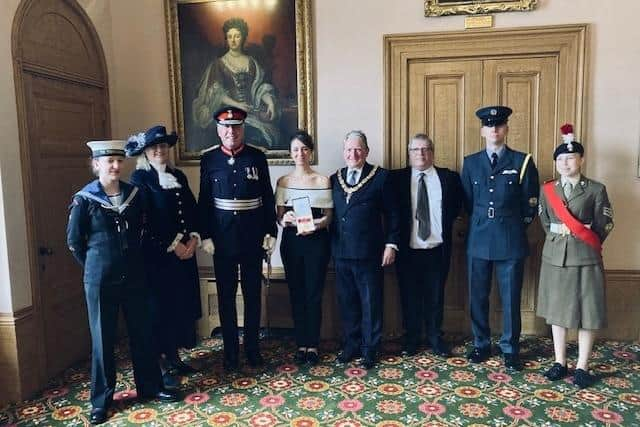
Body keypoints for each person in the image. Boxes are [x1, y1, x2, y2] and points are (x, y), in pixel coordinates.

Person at [66, 140, 178, 425]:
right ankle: (101, 401)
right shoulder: (85, 199)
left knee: (142, 333)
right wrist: (97, 266)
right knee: (102, 340)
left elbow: (142, 230)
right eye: (108, 162)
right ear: (96, 165)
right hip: (100, 281)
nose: (115, 166)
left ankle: (150, 386)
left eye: (119, 161)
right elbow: (74, 242)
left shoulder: (134, 194)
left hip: (134, 276)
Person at [198, 106, 277, 371]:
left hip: (252, 237)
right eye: (226, 127)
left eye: (236, 127)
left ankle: (252, 349)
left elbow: (267, 197)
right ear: (219, 130)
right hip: (222, 240)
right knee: (226, 298)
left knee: (253, 296)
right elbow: (205, 201)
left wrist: (271, 232)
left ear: (243, 128)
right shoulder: (209, 160)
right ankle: (230, 352)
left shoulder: (257, 157)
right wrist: (206, 235)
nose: (231, 132)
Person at [461, 106, 540, 371]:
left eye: (499, 125)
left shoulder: (522, 161)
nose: (494, 129)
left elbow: (531, 203)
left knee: (510, 298)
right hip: (479, 236)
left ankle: (510, 348)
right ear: (482, 130)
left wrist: (515, 225)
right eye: (489, 125)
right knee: (478, 296)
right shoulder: (470, 163)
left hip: (510, 237)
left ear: (506, 129)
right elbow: (468, 203)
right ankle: (481, 343)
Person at [536, 124, 614, 389]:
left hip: (585, 256)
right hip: (555, 256)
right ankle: (560, 361)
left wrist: (583, 240)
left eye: (570, 158)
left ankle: (582, 365)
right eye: (560, 159)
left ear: (581, 160)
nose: (565, 163)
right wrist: (561, 238)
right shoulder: (548, 190)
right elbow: (545, 222)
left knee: (587, 312)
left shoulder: (595, 189)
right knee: (557, 312)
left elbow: (604, 225)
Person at [126, 126, 202, 385]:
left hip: (183, 255)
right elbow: (144, 222)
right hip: (157, 258)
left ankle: (173, 356)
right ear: (146, 152)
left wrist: (193, 237)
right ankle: (160, 364)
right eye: (154, 147)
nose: (160, 151)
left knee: (178, 306)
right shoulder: (140, 179)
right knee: (159, 310)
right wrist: (173, 244)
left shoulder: (177, 175)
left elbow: (191, 209)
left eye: (163, 147)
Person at [331, 130, 400, 370]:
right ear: (343, 152)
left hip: (370, 253)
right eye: (349, 149)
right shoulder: (334, 179)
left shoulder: (381, 177)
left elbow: (394, 214)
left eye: (358, 149)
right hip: (341, 253)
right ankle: (351, 345)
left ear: (366, 151)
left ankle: (370, 348)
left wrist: (391, 244)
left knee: (371, 302)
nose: (353, 153)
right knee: (347, 302)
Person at [392, 134, 463, 357]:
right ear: (409, 153)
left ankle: (435, 337)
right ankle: (411, 338)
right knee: (408, 295)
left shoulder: (449, 178)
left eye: (425, 149)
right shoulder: (397, 179)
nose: (420, 154)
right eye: (415, 150)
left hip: (437, 249)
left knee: (435, 296)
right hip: (407, 249)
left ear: (432, 152)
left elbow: (457, 207)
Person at [275, 130, 333, 365]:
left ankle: (313, 345)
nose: (300, 153)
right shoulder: (283, 182)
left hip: (317, 243)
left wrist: (316, 226)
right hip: (291, 243)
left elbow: (329, 217)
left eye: (305, 149)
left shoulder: (323, 181)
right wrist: (286, 219)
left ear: (311, 152)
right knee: (297, 293)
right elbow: (279, 217)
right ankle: (301, 344)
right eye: (296, 149)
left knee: (314, 293)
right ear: (291, 153)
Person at [193, 17, 280, 149]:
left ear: (243, 38)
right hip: (228, 115)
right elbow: (216, 92)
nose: (233, 40)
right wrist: (237, 105)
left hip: (252, 112)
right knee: (245, 135)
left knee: (268, 136)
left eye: (237, 36)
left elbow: (259, 87)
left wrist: (270, 102)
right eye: (230, 37)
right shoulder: (219, 64)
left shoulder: (251, 62)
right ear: (226, 39)